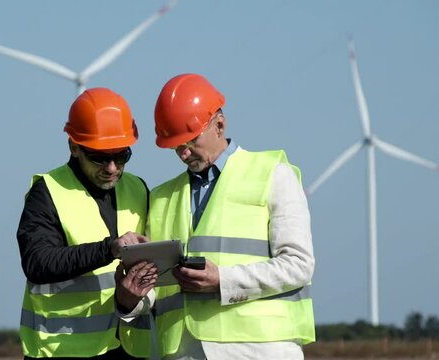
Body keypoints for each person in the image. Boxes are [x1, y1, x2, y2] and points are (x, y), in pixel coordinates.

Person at [122, 73, 316, 359]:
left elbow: (299, 264)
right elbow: (158, 288)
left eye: (189, 141)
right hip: (183, 351)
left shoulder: (273, 174)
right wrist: (130, 297)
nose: (184, 153)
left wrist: (223, 280)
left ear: (220, 125)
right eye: (175, 146)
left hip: (259, 349)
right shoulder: (161, 197)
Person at [16, 87, 157, 359]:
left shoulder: (138, 188)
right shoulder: (47, 192)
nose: (112, 168)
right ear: (73, 147)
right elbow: (37, 263)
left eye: (121, 156)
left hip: (128, 347)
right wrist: (109, 249)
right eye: (100, 157)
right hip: (62, 350)